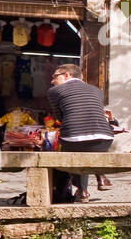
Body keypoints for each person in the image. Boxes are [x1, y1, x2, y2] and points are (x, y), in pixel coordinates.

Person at [47, 64, 113, 202]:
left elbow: (61, 117)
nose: (52, 81)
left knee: (73, 153)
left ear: (66, 75)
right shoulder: (97, 90)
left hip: (74, 138)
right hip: (104, 137)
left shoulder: (54, 91)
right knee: (88, 147)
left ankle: (82, 191)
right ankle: (101, 176)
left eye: (54, 76)